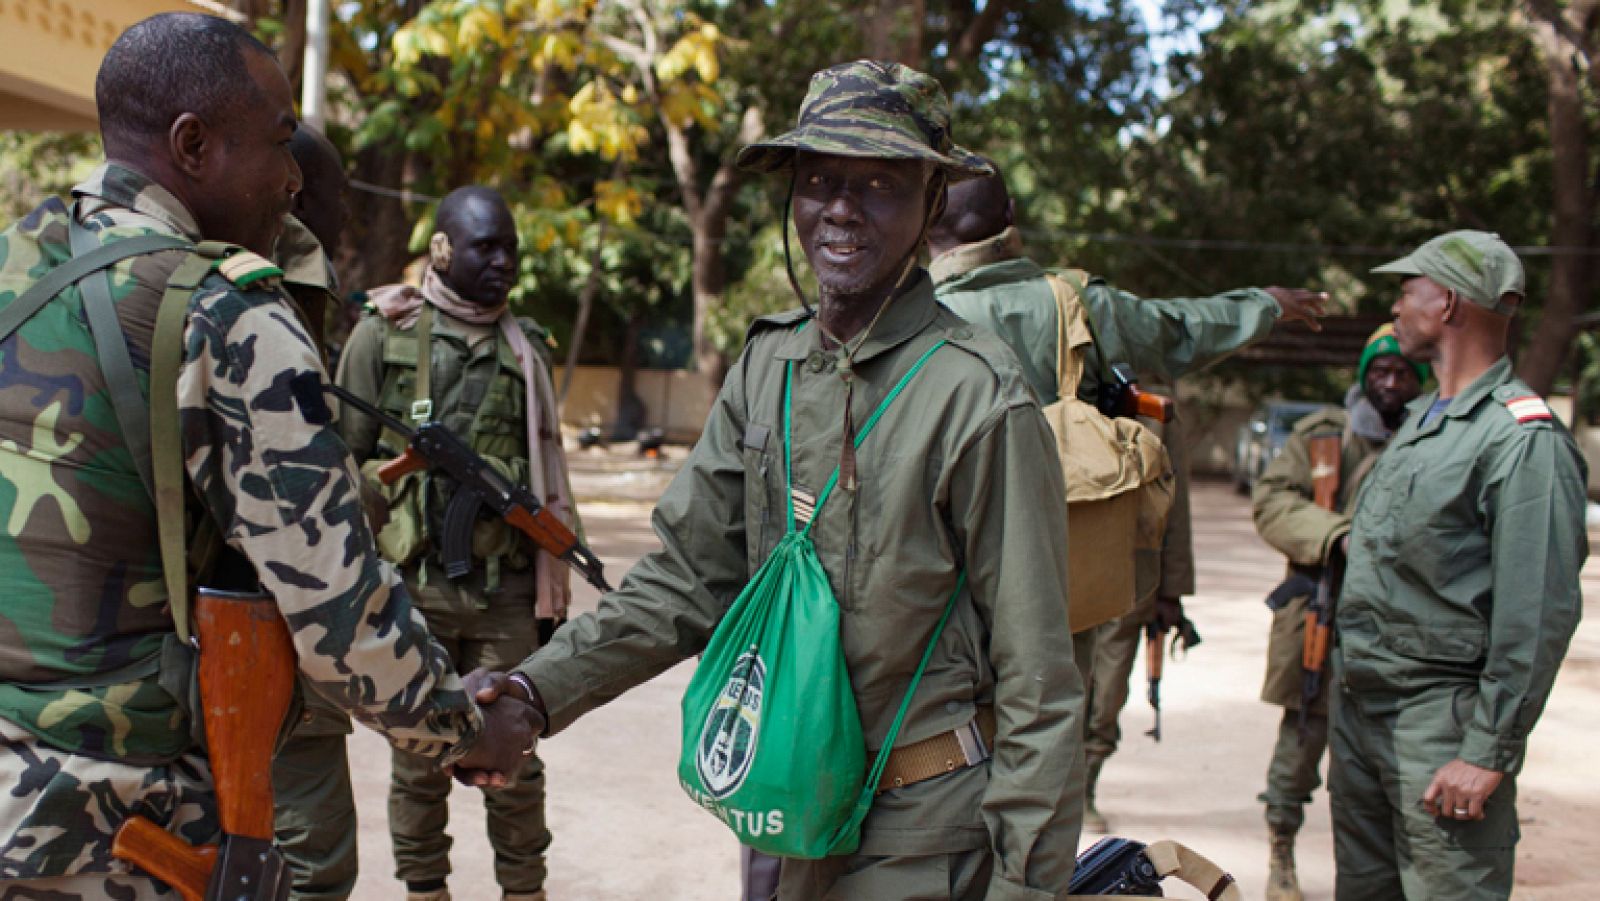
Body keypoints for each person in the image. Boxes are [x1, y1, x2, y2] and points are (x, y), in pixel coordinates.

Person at [469, 60, 1086, 899]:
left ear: (932, 201)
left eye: (879, 183)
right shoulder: (770, 365)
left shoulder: (976, 393)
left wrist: (1027, 887)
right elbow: (687, 579)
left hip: (924, 833)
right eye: (820, 179)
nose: (841, 207)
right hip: (792, 808)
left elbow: (1039, 679)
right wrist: (533, 693)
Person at [0, 14, 533, 899]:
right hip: (117, 833)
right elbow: (340, 614)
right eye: (281, 141)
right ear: (193, 144)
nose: (293, 177)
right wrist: (465, 729)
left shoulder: (15, 265)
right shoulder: (227, 313)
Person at [926, 160, 1328, 832]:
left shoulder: (901, 311)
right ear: (1011, 217)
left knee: (938, 755)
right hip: (1061, 571)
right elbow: (1180, 330)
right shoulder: (1076, 301)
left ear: (922, 224)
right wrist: (1265, 305)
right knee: (1044, 746)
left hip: (938, 577)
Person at [1331, 231, 1586, 900]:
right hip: (1362, 715)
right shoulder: (1419, 422)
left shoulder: (1521, 439)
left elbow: (1537, 610)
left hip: (1440, 729)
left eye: (1406, 291)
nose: (1395, 306)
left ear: (1446, 302)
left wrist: (1487, 750)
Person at [336, 185, 574, 901]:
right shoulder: (383, 335)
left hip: (504, 591)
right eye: (485, 247)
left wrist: (552, 590)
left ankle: (524, 890)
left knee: (517, 753)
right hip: (413, 588)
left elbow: (549, 471)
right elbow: (340, 465)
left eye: (511, 249)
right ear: (441, 249)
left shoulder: (527, 349)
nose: (503, 262)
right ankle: (425, 889)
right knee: (418, 760)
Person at [1249, 324, 1427, 901]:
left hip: (1400, 626)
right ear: (1364, 376)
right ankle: (1281, 851)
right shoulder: (1324, 437)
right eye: (1380, 371)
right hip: (1322, 617)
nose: (1391, 382)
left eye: (1403, 373)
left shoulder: (1432, 439)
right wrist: (1338, 535)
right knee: (1302, 742)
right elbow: (1272, 501)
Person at [271, 124, 362, 901]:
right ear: (297, 195)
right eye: (340, 197)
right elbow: (315, 527)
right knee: (314, 868)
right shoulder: (275, 297)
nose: (347, 218)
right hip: (273, 648)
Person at [1080, 398, 1193, 833]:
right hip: (1068, 568)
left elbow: (1175, 505)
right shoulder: (1059, 393)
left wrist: (1172, 590)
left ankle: (1086, 785)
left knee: (1107, 694)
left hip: (1130, 574)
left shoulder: (1154, 408)